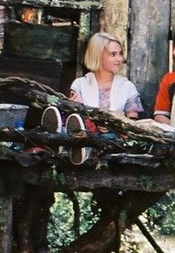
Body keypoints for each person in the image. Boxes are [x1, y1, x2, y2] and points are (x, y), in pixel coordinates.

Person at [43, 31, 142, 165]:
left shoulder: (127, 87)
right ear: (98, 55)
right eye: (113, 54)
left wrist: (114, 125)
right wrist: (76, 108)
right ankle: (59, 138)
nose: (119, 59)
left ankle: (82, 149)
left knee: (108, 138)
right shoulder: (80, 84)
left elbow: (133, 123)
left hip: (113, 137)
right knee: (74, 123)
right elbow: (74, 118)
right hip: (85, 128)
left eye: (120, 54)